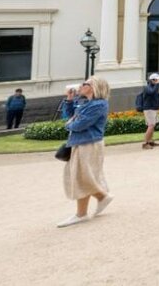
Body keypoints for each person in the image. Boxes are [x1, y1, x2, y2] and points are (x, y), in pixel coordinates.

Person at [56, 76, 113, 227]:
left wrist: (69, 125)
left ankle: (92, 205)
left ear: (94, 87)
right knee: (80, 176)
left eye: (85, 84)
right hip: (81, 142)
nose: (81, 85)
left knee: (82, 177)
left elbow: (80, 124)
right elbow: (69, 115)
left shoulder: (99, 104)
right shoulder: (84, 101)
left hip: (89, 143)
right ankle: (97, 201)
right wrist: (69, 99)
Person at [141, 73, 159, 149]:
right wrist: (157, 84)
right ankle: (145, 143)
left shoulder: (154, 87)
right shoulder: (147, 87)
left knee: (152, 126)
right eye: (157, 80)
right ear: (152, 80)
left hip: (154, 108)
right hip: (149, 109)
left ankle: (150, 141)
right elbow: (151, 92)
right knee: (151, 125)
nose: (158, 81)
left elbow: (155, 95)